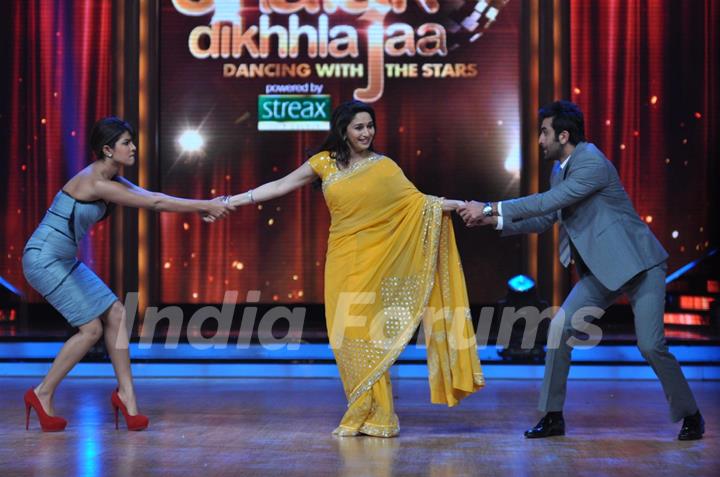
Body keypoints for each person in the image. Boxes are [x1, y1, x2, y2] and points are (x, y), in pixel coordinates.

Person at [224, 100, 485, 437]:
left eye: (370, 126)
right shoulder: (324, 163)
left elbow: (418, 203)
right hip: (343, 261)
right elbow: (278, 186)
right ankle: (363, 408)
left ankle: (378, 416)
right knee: (343, 336)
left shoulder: (385, 167)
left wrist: (457, 205)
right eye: (359, 127)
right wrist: (232, 201)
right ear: (343, 130)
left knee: (367, 335)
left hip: (377, 263)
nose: (367, 133)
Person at [458, 100, 704, 440]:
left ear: (563, 135)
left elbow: (546, 203)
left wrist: (488, 206)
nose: (540, 141)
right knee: (559, 330)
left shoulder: (591, 162)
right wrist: (491, 220)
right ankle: (553, 416)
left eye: (544, 133)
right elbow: (546, 218)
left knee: (650, 345)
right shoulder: (559, 170)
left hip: (640, 265)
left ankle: (690, 413)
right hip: (602, 271)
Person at [22, 117, 233, 432]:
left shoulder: (113, 180)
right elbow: (155, 203)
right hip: (43, 259)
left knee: (117, 313)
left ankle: (127, 396)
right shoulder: (94, 182)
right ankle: (41, 394)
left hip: (63, 259)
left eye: (132, 141)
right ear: (107, 149)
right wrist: (206, 203)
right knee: (91, 329)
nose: (133, 147)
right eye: (126, 142)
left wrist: (199, 207)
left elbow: (152, 196)